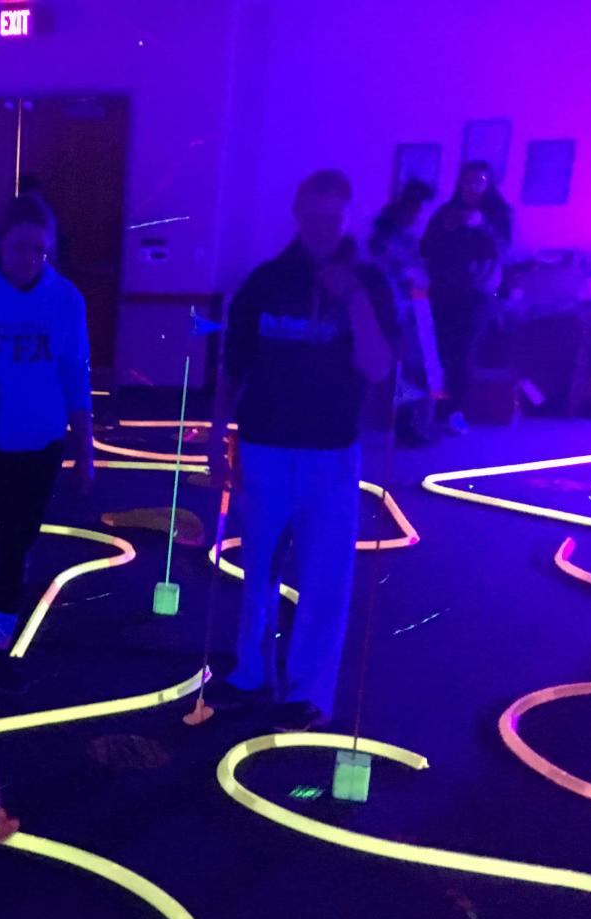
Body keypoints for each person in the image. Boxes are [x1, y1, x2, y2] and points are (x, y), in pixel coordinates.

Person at [207, 169, 398, 732]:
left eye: (331, 219)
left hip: (330, 452)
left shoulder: (370, 282)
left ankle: (308, 690)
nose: (321, 228)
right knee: (258, 563)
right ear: (297, 213)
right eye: (312, 217)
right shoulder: (265, 281)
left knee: (324, 574)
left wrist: (356, 297)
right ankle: (249, 673)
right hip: (264, 444)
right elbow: (233, 366)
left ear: (345, 218)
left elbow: (379, 366)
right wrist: (219, 442)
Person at [0, 193, 93, 687]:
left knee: (16, 547)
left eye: (40, 250)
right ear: (1, 243)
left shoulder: (66, 300)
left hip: (40, 446)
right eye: (20, 248)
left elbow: (74, 375)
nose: (29, 259)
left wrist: (85, 450)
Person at [421, 160, 511, 432]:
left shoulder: (496, 213)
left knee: (464, 351)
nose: (472, 187)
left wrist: (482, 226)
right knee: (441, 350)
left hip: (478, 292)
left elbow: (504, 248)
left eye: (479, 181)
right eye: (467, 181)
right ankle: (436, 407)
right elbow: (426, 247)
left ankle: (455, 409)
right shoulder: (446, 213)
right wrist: (447, 231)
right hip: (444, 290)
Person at [370, 180, 438, 444]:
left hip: (410, 306)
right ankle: (403, 425)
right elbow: (395, 273)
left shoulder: (400, 237)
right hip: (398, 307)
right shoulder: (390, 240)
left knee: (411, 367)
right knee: (406, 367)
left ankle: (408, 422)